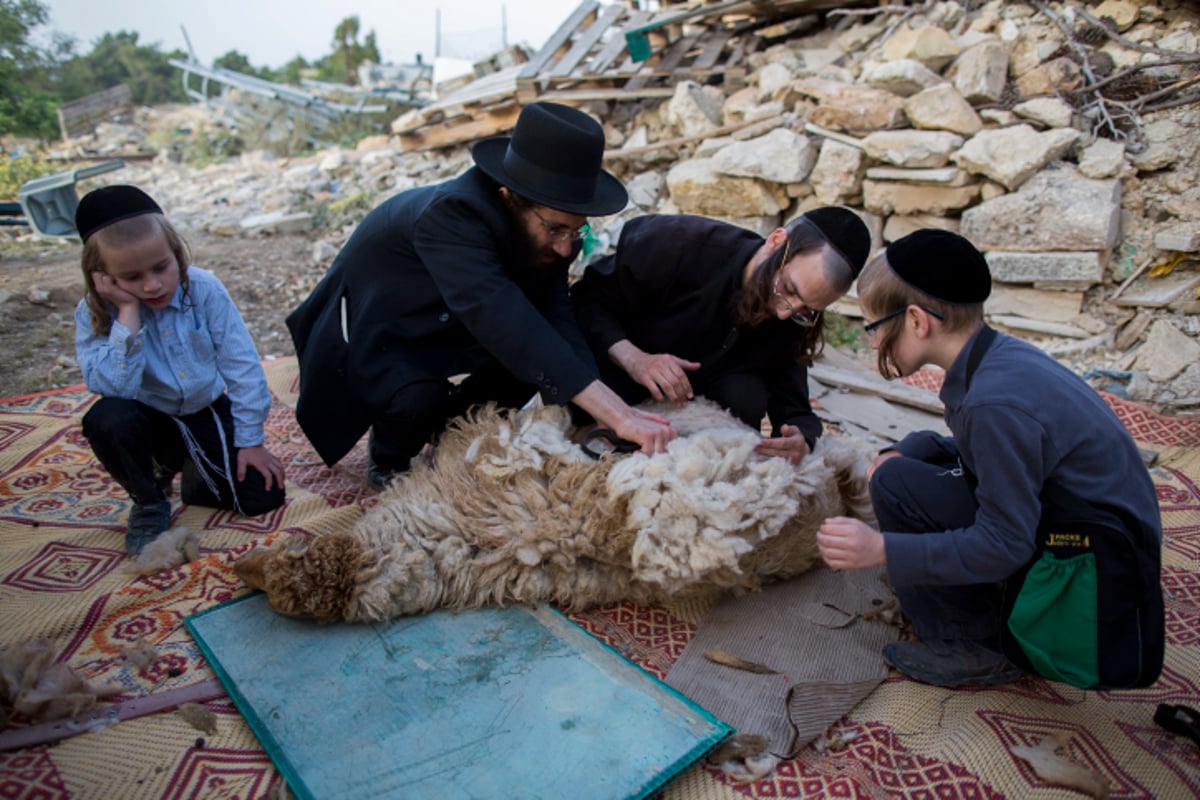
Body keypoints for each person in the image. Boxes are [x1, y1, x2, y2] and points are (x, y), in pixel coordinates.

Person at [816, 229, 1163, 687]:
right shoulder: (996, 359)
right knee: (901, 470)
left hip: (1094, 566)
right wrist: (910, 447)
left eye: (876, 328)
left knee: (895, 486)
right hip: (1086, 526)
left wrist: (883, 549)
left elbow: (1005, 543)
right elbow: (984, 457)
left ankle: (975, 644)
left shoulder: (992, 404)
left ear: (917, 321)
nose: (875, 344)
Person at [286, 102, 676, 489]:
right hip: (381, 325)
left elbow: (556, 317)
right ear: (509, 198)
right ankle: (388, 455)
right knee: (417, 398)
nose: (564, 248)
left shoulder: (558, 231)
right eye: (555, 229)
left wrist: (597, 415)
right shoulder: (450, 215)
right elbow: (500, 316)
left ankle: (448, 436)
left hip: (450, 316)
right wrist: (619, 414)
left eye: (575, 232)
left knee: (539, 364)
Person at [74, 185, 286, 556]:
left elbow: (241, 365)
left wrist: (250, 441)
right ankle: (149, 498)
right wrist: (128, 314)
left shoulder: (203, 288)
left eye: (161, 267)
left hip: (204, 409)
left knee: (262, 496)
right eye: (131, 277)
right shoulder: (96, 312)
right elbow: (112, 386)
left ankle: (191, 471)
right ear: (102, 277)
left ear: (177, 253)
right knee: (107, 418)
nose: (153, 284)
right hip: (147, 417)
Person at [570, 208, 870, 463]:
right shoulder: (679, 243)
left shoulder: (793, 316)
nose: (783, 313)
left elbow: (791, 397)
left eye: (807, 309)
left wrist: (800, 440)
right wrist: (635, 359)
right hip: (621, 383)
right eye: (788, 289)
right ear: (777, 242)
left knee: (746, 393)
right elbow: (587, 301)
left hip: (698, 426)